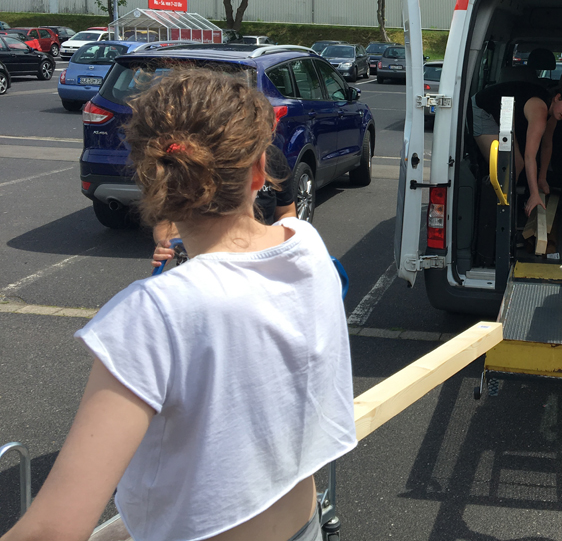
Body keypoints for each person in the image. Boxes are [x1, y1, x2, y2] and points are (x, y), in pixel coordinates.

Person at [1, 68, 356, 541]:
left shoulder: (153, 314)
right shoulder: (307, 245)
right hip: (302, 524)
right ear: (258, 171)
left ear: (154, 182)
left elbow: (54, 529)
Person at [151, 143, 296, 269]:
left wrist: (280, 246)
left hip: (262, 261)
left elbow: (287, 212)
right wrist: (170, 244)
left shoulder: (272, 157)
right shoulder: (191, 160)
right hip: (200, 265)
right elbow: (165, 222)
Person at [472, 80, 562, 216]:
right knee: (505, 167)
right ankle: (491, 213)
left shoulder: (553, 113)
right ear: (557, 98)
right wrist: (534, 194)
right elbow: (530, 156)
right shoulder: (540, 111)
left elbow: (547, 145)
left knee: (516, 164)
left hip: (505, 115)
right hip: (484, 110)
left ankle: (506, 207)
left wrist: (542, 178)